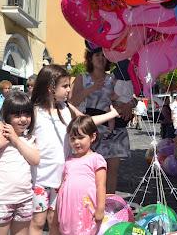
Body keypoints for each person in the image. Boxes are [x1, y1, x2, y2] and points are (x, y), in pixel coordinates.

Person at [29, 65, 118, 235]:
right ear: (50, 88)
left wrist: (111, 115)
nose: (69, 89)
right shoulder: (34, 111)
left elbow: (87, 121)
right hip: (38, 178)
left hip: (62, 179)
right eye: (65, 86)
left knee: (55, 221)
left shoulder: (67, 109)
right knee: (38, 221)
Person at [70, 43, 134, 194]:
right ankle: (90, 202)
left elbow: (130, 95)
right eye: (97, 55)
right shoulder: (82, 78)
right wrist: (91, 88)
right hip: (90, 129)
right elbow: (72, 102)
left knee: (111, 170)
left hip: (113, 130)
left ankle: (109, 204)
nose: (101, 58)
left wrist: (129, 104)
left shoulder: (113, 78)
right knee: (91, 169)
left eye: (104, 55)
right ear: (90, 58)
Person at [0, 91, 40, 235]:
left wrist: (16, 139)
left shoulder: (29, 139)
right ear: (7, 116)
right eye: (17, 115)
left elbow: (35, 159)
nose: (23, 119)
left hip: (24, 199)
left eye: (27, 114)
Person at [57, 115, 107, 234]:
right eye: (73, 138)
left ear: (92, 137)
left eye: (80, 138)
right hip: (69, 209)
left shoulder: (96, 159)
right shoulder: (69, 160)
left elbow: (101, 186)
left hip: (86, 209)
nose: (76, 142)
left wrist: (100, 209)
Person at [106, 60, 134, 138]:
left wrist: (109, 97)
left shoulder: (120, 83)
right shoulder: (130, 82)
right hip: (127, 103)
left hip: (120, 103)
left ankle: (110, 129)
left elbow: (116, 96)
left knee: (110, 113)